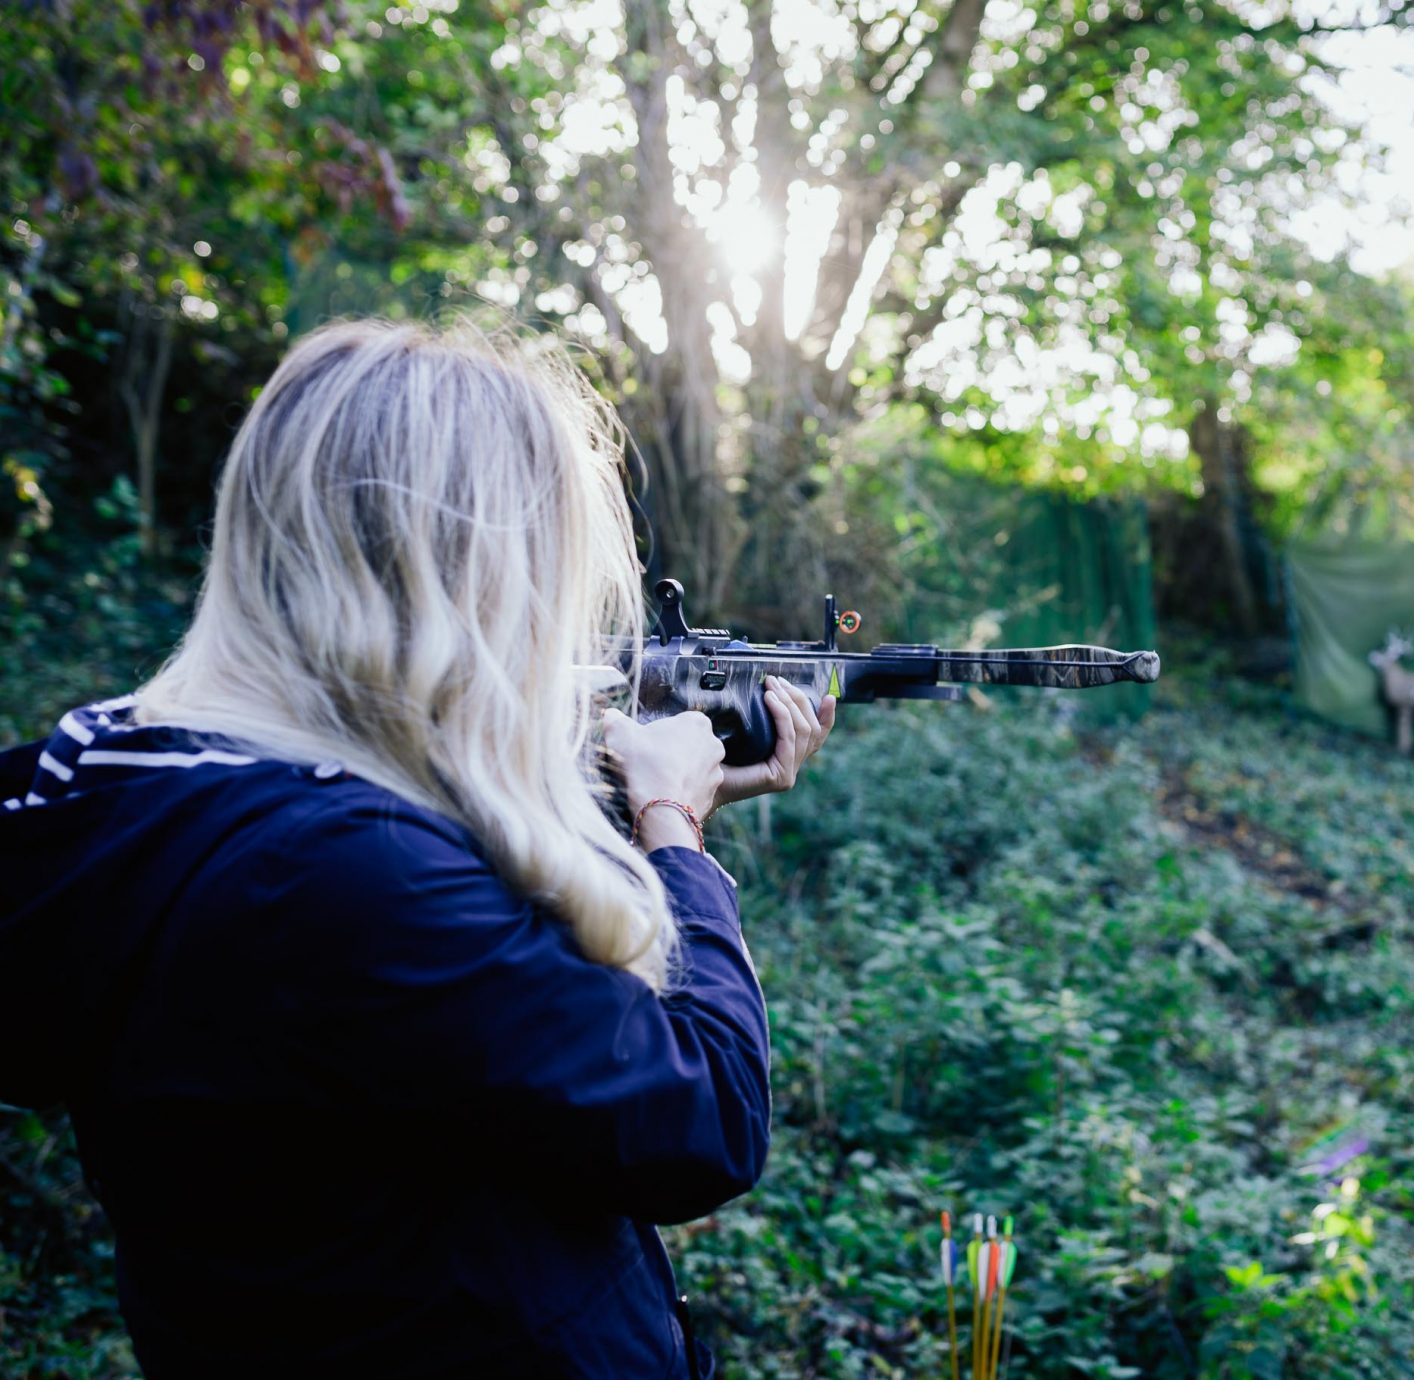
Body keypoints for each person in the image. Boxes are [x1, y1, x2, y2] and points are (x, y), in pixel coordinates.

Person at [0, 319, 834, 1377]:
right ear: (476, 568)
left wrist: (624, 806)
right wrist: (675, 828)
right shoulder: (346, 875)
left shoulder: (121, 787)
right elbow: (704, 1120)